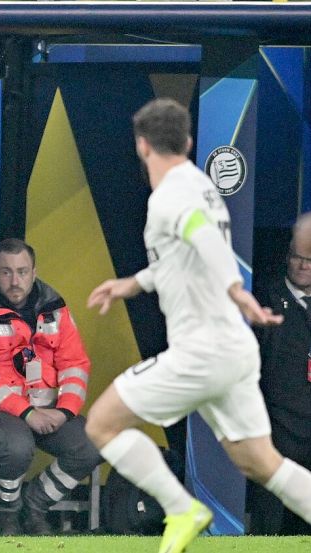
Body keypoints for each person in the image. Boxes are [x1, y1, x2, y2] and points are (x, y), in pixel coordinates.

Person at [85, 98, 311, 553]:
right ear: (188, 142)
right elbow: (179, 259)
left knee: (102, 424)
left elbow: (203, 240)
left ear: (142, 145)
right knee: (261, 462)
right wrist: (131, 284)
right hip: (233, 351)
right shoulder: (201, 185)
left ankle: (181, 508)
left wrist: (236, 289)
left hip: (202, 351)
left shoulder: (171, 196)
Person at [0, 238, 100, 535]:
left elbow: (75, 364)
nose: (15, 280)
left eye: (22, 271)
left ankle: (33, 506)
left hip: (51, 410)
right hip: (5, 412)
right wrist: (26, 413)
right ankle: (6, 513)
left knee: (93, 443)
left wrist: (65, 411)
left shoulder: (56, 310)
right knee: (16, 447)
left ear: (34, 272)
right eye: (6, 272)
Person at [246, 213, 311, 535]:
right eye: (298, 257)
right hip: (276, 426)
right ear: (287, 256)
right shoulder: (264, 301)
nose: (303, 266)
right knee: (270, 519)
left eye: (310, 260)